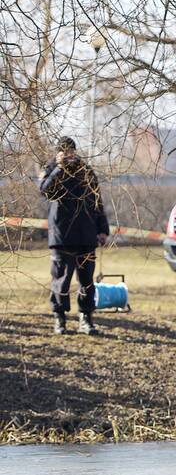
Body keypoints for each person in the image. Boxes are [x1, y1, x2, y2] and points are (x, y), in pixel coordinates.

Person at [39, 136, 109, 335]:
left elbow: (97, 201)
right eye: (64, 151)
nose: (69, 154)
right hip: (62, 236)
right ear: (58, 152)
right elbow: (44, 191)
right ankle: (59, 319)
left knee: (87, 281)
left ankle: (86, 318)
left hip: (86, 235)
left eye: (71, 150)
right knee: (61, 280)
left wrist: (102, 228)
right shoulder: (51, 169)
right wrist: (59, 168)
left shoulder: (86, 171)